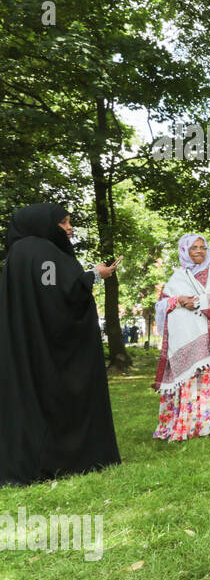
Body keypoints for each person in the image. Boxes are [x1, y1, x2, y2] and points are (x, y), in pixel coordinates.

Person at [1, 203, 121, 485]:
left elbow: (47, 292)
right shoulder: (41, 252)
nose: (69, 227)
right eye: (63, 222)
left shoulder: (19, 253)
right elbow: (57, 295)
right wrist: (95, 276)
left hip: (30, 345)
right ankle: (61, 460)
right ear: (43, 223)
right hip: (49, 348)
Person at [152, 233, 210, 441]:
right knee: (194, 380)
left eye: (202, 247)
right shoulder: (178, 277)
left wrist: (198, 301)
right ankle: (194, 423)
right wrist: (177, 300)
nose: (198, 251)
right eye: (194, 247)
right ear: (184, 251)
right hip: (189, 340)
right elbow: (161, 305)